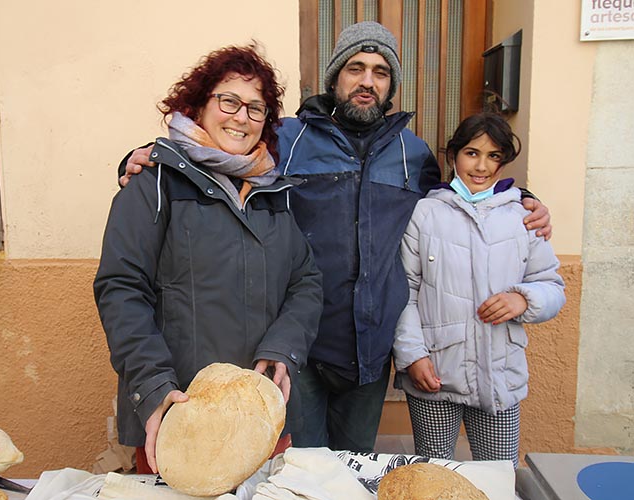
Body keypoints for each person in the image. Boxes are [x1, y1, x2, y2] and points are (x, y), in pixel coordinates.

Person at [119, 22, 552, 453]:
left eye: (380, 72)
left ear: (391, 85)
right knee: (300, 472)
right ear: (334, 77)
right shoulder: (288, 138)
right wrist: (141, 159)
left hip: (370, 354)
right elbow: (223, 154)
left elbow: (455, 205)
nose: (367, 81)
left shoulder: (414, 154)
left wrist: (520, 199)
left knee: (352, 472)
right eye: (355, 68)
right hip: (297, 349)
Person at [93, 44, 323, 474]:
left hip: (261, 418)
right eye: (229, 101)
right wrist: (153, 386)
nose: (241, 117)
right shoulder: (155, 183)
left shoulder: (272, 193)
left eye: (255, 108)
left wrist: (284, 348)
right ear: (199, 105)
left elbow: (305, 281)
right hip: (180, 415)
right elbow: (121, 288)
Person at [392, 112, 566, 468]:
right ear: (453, 155)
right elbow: (404, 290)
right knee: (434, 476)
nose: (482, 166)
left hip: (499, 376)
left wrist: (524, 299)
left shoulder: (523, 217)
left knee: (499, 475)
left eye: (493, 156)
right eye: (472, 153)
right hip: (434, 374)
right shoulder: (425, 213)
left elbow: (552, 286)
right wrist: (412, 356)